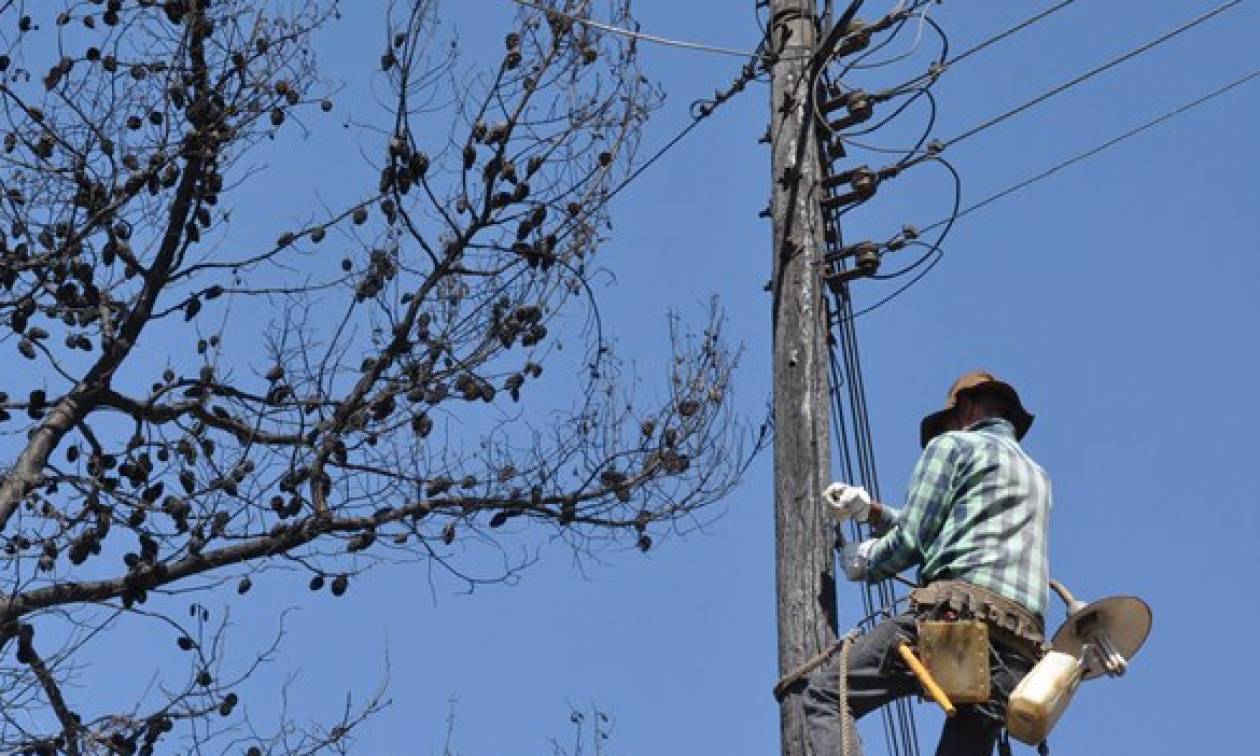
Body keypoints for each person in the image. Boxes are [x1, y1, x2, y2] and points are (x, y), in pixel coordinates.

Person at [804, 371, 1051, 756]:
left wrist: (869, 560)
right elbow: (955, 528)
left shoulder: (953, 446)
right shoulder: (1037, 476)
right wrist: (870, 512)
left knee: (825, 696)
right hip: (1018, 652)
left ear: (965, 407)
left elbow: (913, 540)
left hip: (957, 622)